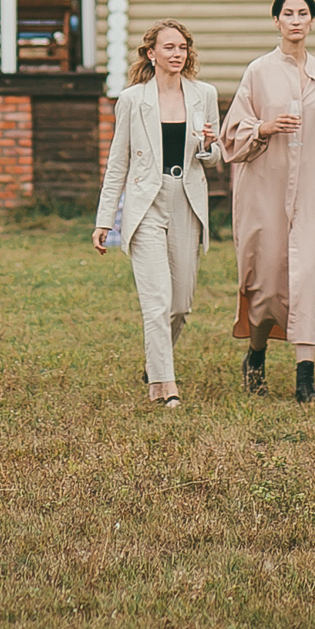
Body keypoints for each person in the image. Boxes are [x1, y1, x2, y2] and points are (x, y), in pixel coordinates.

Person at [219, 0, 315, 403]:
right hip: (266, 189)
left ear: (312, 21)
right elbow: (232, 136)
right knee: (266, 283)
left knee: (308, 278)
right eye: (288, 13)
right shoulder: (258, 72)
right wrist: (263, 127)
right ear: (276, 22)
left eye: (303, 13)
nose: (295, 20)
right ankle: (257, 354)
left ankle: (305, 380)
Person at [93, 21, 221, 406]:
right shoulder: (132, 99)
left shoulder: (205, 95)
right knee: (156, 301)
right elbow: (118, 163)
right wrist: (104, 220)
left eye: (182, 47)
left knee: (181, 304)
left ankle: (156, 360)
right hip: (146, 202)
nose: (177, 53)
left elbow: (214, 159)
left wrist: (209, 146)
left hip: (187, 199)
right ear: (151, 53)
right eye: (168, 47)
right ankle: (164, 387)